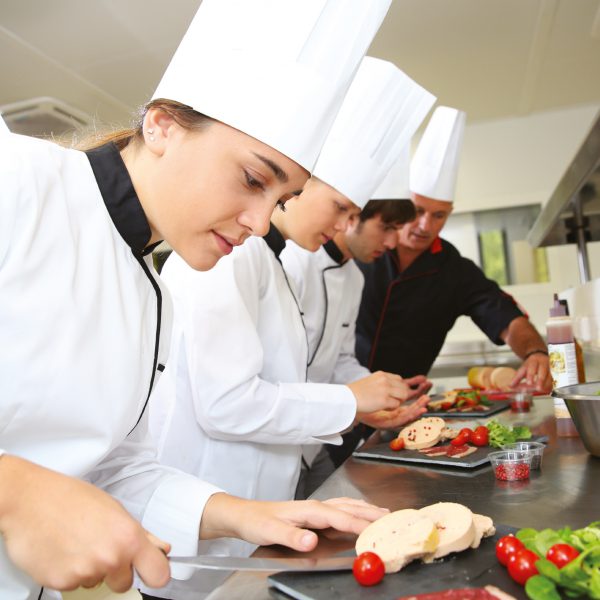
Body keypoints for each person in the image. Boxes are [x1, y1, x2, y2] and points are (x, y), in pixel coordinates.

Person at [0, 1, 393, 598]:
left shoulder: (150, 290)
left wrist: (246, 514)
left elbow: (114, 469)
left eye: (281, 199)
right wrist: (15, 492)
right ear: (160, 126)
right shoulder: (18, 180)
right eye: (254, 180)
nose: (262, 224)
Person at [147, 57, 424, 599]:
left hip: (260, 516)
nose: (346, 227)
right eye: (341, 208)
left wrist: (361, 399)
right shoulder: (225, 256)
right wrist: (350, 402)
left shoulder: (263, 261)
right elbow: (227, 403)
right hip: (207, 518)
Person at [356, 106, 552, 392]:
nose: (425, 225)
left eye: (439, 215)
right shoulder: (363, 250)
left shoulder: (454, 271)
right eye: (418, 210)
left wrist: (535, 353)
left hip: (403, 404)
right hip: (341, 396)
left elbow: (506, 318)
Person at [282, 147, 437, 498]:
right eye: (387, 227)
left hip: (311, 445)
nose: (393, 241)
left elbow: (339, 361)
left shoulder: (354, 278)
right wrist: (355, 401)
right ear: (352, 218)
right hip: (282, 437)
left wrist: (384, 390)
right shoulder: (293, 261)